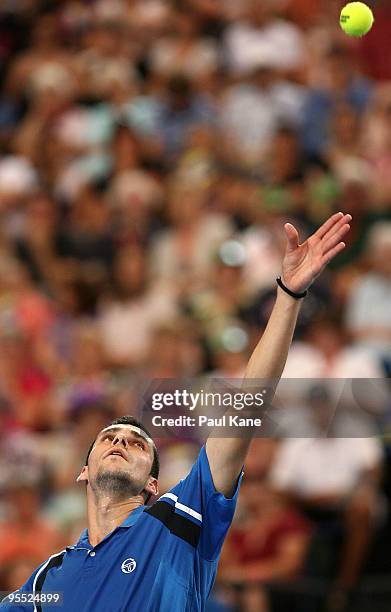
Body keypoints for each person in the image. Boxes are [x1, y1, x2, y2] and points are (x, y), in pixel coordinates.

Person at [0, 212, 351, 611]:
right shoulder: (47, 579)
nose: (120, 441)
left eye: (137, 443)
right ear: (84, 471)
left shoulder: (180, 518)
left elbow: (244, 407)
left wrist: (288, 297)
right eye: (109, 438)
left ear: (152, 485)